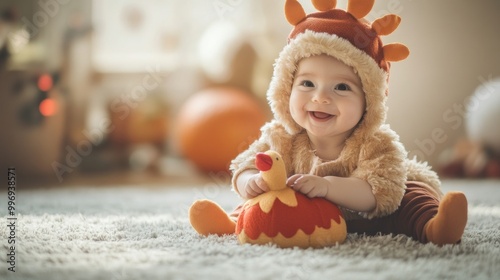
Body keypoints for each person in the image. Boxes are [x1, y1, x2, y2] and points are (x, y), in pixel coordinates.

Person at [189, 0, 468, 246]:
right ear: (287, 89)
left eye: (342, 88)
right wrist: (249, 181)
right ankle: (234, 223)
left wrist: (329, 188)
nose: (320, 98)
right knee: (263, 198)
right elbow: (247, 163)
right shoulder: (282, 137)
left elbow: (379, 192)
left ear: (369, 101)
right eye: (308, 83)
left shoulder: (376, 143)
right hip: (306, 212)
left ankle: (435, 228)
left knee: (411, 197)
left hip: (371, 217)